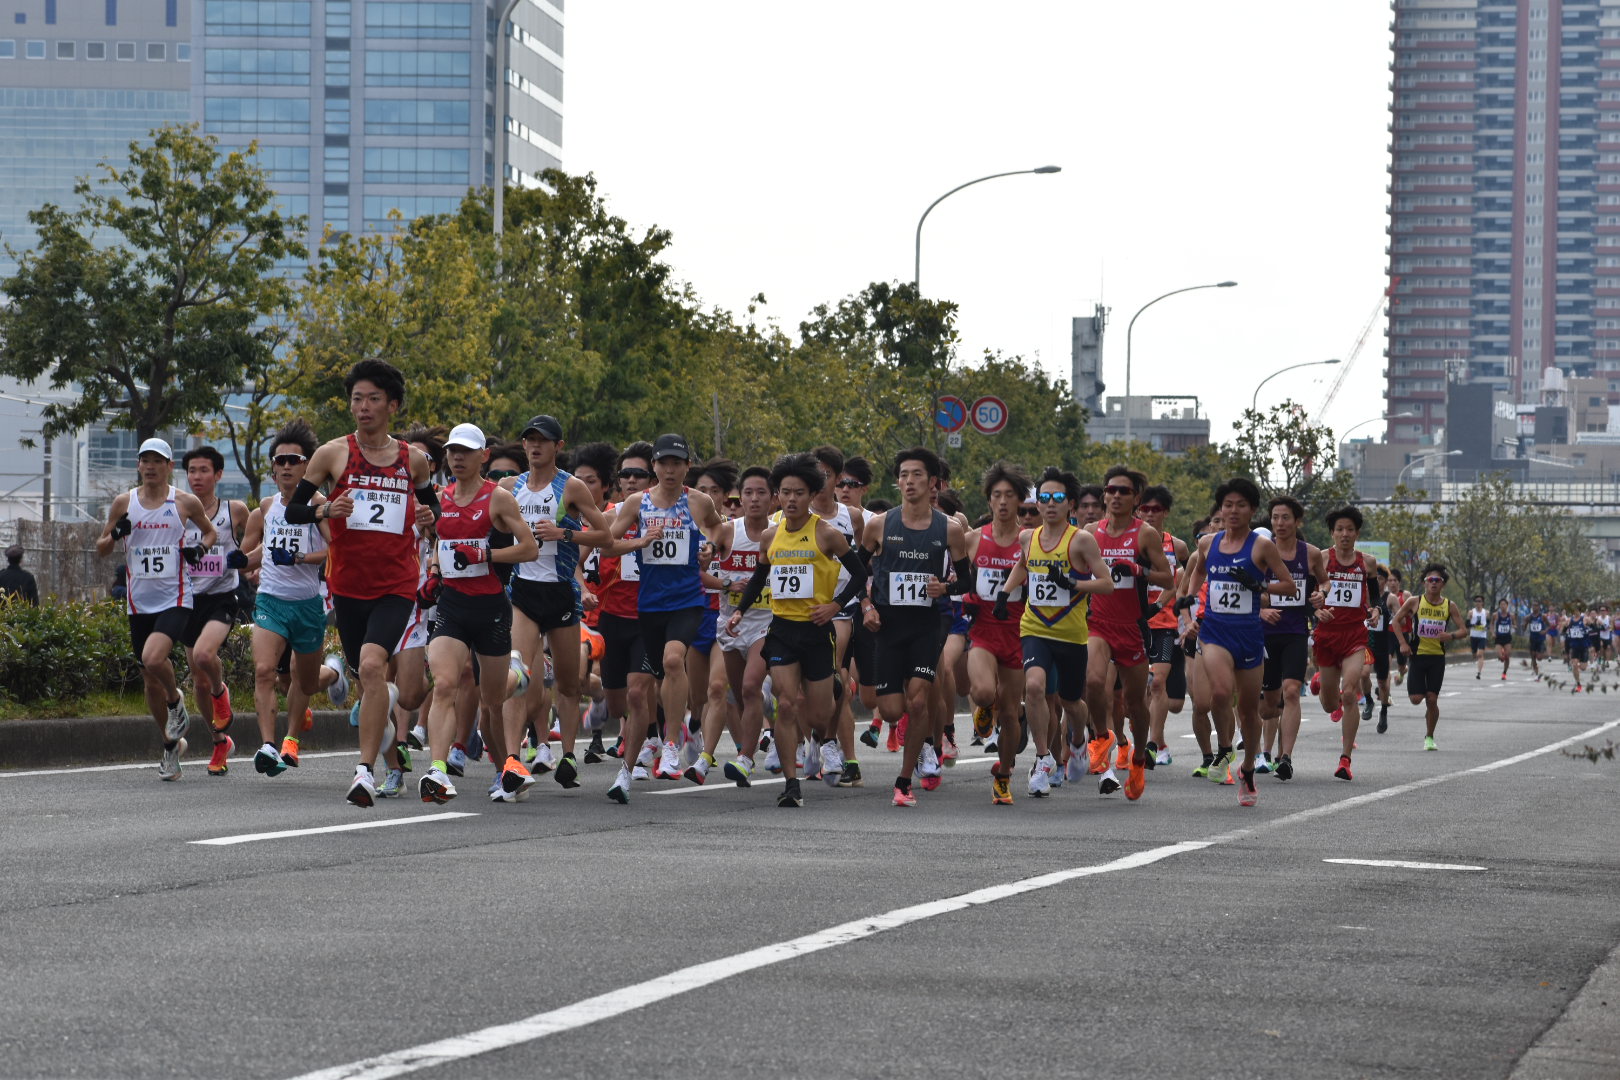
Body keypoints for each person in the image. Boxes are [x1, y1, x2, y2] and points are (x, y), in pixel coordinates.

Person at [282, 359, 439, 807]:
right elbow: (295, 509)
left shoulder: (413, 459)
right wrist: (324, 511)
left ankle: (363, 772)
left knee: (372, 668)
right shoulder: (333, 453)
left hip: (396, 585)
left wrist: (430, 517)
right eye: (356, 399)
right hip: (349, 586)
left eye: (373, 399)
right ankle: (393, 762)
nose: (363, 407)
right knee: (367, 678)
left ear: (392, 405)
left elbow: (434, 514)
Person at [727, 453, 869, 807]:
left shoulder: (827, 534)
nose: (791, 500)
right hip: (783, 631)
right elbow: (761, 575)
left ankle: (836, 688)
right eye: (786, 493)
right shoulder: (771, 536)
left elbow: (862, 574)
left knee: (819, 716)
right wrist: (740, 612)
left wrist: (835, 605)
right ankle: (792, 784)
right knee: (786, 704)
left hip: (817, 631)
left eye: (799, 493)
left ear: (811, 495)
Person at [415, 424, 538, 804]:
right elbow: (443, 543)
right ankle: (437, 771)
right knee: (446, 684)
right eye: (453, 450)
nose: (457, 457)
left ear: (483, 455)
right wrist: (435, 570)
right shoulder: (440, 497)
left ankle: (508, 764)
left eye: (466, 451)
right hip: (452, 606)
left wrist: (486, 555)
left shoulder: (498, 499)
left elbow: (530, 548)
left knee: (491, 702)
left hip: (491, 609)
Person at [604, 434, 726, 802]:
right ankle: (626, 771)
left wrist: (709, 546)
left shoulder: (697, 501)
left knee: (674, 659)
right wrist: (639, 543)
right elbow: (608, 542)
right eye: (663, 463)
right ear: (653, 467)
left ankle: (672, 744)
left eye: (677, 463)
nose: (670, 469)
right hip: (649, 606)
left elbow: (719, 528)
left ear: (687, 466)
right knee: (638, 694)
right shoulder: (637, 503)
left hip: (688, 601)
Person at [94, 438, 218, 782]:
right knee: (149, 681)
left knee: (152, 658)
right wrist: (116, 533)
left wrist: (198, 551)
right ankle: (169, 746)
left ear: (169, 467)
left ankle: (176, 700)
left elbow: (211, 533)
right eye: (144, 461)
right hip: (139, 603)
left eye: (157, 461)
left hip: (175, 597)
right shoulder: (125, 502)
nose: (150, 466)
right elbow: (102, 548)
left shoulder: (184, 502)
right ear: (138, 466)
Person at [858, 447, 974, 807]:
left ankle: (904, 781)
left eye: (917, 475)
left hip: (928, 623)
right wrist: (866, 605)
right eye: (904, 475)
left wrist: (947, 588)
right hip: (888, 625)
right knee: (891, 709)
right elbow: (856, 569)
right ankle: (918, 735)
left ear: (933, 482)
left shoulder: (949, 530)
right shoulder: (879, 524)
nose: (909, 482)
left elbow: (966, 581)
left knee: (920, 699)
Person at [499, 415, 609, 790]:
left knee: (567, 682)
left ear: (557, 447)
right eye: (530, 440)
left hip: (561, 591)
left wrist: (565, 532)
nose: (535, 447)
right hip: (524, 592)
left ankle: (567, 756)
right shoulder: (510, 487)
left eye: (543, 441)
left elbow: (605, 534)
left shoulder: (571, 487)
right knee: (518, 676)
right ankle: (513, 761)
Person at [996, 466, 1114, 799]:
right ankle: (1043, 759)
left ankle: (1078, 742)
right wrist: (1006, 593)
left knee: (1071, 701)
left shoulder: (1082, 541)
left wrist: (1074, 582)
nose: (1049, 504)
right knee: (1033, 687)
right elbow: (1023, 563)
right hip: (1034, 627)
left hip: (1071, 633)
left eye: (1057, 498)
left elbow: (1107, 583)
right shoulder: (1027, 536)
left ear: (1071, 505)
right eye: (1043, 498)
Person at [240, 419, 349, 777]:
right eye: (279, 460)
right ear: (272, 468)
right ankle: (270, 745)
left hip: (307, 604)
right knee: (264, 670)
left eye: (294, 460)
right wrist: (240, 562)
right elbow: (262, 554)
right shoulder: (267, 506)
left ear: (307, 466)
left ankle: (332, 675)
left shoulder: (320, 505)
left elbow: (338, 551)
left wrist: (302, 558)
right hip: (270, 599)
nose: (285, 466)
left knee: (302, 681)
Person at [1178, 478, 1296, 806]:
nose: (1233, 511)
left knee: (1248, 710)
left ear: (1252, 510)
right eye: (1227, 505)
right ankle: (1225, 749)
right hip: (1215, 631)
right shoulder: (1208, 544)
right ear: (1220, 509)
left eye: (1240, 505)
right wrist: (1190, 602)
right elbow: (1198, 573)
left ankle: (1247, 769)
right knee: (1218, 692)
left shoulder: (1261, 547)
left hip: (1248, 635)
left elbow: (1289, 586)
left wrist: (1260, 587)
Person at [178, 445, 251, 776]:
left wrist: (246, 562)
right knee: (197, 676)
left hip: (222, 596)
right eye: (192, 470)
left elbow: (251, 545)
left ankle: (222, 694)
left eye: (204, 470)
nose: (197, 477)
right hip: (189, 598)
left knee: (206, 657)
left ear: (218, 474)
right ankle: (219, 740)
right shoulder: (177, 511)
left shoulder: (234, 510)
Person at [964, 461, 1032, 804]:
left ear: (1020, 500)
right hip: (984, 631)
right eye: (996, 495)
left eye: (1009, 495)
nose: (1003, 502)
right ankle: (983, 706)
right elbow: (956, 581)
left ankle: (1004, 775)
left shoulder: (1031, 542)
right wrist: (964, 597)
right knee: (981, 690)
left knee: (1010, 712)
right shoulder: (973, 540)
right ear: (988, 501)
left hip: (1019, 633)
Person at [1257, 495, 1323, 781]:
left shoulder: (1310, 553)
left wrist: (1323, 594)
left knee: (1292, 691)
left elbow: (1325, 580)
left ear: (1297, 521)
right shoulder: (1260, 551)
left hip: (1295, 631)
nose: (1280, 523)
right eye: (1275, 518)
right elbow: (1247, 589)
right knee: (1268, 705)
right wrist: (1263, 610)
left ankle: (1286, 757)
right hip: (1264, 633)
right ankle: (1264, 750)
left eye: (1285, 518)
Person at [1310, 505, 1376, 781]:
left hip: (1354, 635)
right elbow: (1309, 593)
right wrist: (1315, 609)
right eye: (1339, 529)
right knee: (1328, 704)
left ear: (1357, 532)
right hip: (1326, 634)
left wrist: (1376, 610)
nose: (1345, 534)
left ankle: (1345, 759)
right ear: (1333, 533)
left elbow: (1375, 596)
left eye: (1350, 529)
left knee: (1349, 693)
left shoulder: (1367, 562)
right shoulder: (1321, 559)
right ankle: (1319, 680)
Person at [1135, 485, 1189, 769]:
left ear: (1165, 512)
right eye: (1145, 509)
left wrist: (1182, 610)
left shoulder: (1177, 546)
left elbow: (1189, 578)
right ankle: (1151, 738)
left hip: (1164, 622)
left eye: (1156, 509)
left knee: (1157, 683)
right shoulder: (1129, 542)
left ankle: (1152, 745)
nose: (1150, 514)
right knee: (1138, 690)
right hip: (1133, 622)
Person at [1393, 564, 1468, 750]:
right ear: (1425, 583)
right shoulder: (1415, 602)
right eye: (1430, 580)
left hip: (1437, 658)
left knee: (1432, 699)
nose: (1433, 583)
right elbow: (1395, 621)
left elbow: (1463, 630)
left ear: (1443, 584)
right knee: (1416, 699)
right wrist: (1403, 643)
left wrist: (1450, 636)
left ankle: (1429, 736)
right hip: (1418, 656)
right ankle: (1413, 682)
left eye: (1437, 580)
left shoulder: (1449, 605)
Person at [1492, 598, 1515, 681]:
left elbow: (1515, 625)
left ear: (1507, 605)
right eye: (1501, 604)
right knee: (1500, 656)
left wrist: (1513, 627)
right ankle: (1501, 654)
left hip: (1507, 637)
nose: (1503, 606)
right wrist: (1492, 633)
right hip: (1498, 638)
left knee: (1507, 656)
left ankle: (1504, 672)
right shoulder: (1495, 615)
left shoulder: (1511, 615)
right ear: (1499, 606)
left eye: (1504, 604)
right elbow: (1491, 625)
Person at [1467, 595, 1490, 677]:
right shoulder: (1471, 612)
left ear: (1482, 603)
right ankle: (1474, 653)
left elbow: (1488, 624)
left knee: (1480, 654)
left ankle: (1479, 673)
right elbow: (1467, 624)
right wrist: (1474, 625)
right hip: (1473, 635)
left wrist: (1486, 627)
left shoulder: (1486, 612)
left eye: (1479, 601)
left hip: (1482, 636)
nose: (1478, 602)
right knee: (1474, 655)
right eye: (1476, 601)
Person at [1526, 603, 1548, 680]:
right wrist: (1524, 624)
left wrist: (1545, 631)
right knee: (1533, 657)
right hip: (1532, 639)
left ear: (1539, 607)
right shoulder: (1529, 617)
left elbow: (1549, 625)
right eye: (1533, 606)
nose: (1534, 607)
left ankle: (1543, 651)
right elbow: (1524, 627)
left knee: (1539, 658)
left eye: (1536, 606)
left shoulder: (1543, 616)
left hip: (1540, 639)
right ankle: (1536, 673)